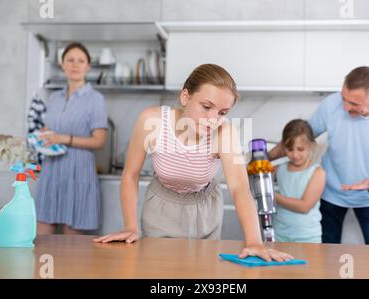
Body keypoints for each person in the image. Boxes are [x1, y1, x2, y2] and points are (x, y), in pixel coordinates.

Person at [94, 64, 293, 262]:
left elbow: (240, 187)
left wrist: (255, 241)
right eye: (206, 107)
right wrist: (130, 227)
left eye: (222, 113)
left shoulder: (224, 132)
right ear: (185, 97)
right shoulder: (152, 121)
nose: (213, 119)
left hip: (205, 210)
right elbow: (130, 175)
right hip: (161, 207)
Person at [268, 66, 369, 245]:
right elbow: (300, 138)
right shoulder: (331, 104)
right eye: (344, 99)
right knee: (326, 259)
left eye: (354, 104)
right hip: (331, 194)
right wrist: (265, 158)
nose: (345, 107)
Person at [35, 42, 108, 235]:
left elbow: (99, 141)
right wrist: (44, 135)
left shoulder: (95, 99)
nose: (75, 65)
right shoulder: (54, 98)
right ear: (62, 65)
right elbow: (50, 131)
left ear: (88, 66)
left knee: (73, 251)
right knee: (40, 241)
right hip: (51, 173)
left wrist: (63, 138)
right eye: (70, 60)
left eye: (81, 60)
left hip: (79, 174)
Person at [273, 119, 326, 243]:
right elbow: (251, 171)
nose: (295, 155)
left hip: (308, 238)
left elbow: (304, 206)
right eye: (290, 149)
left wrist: (271, 195)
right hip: (279, 234)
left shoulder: (317, 173)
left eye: (300, 149)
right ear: (283, 147)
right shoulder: (280, 168)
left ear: (312, 145)